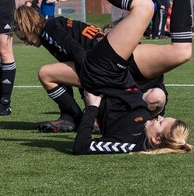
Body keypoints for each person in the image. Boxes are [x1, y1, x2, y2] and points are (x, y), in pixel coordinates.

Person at [20, 0, 194, 154]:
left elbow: (81, 147)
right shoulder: (147, 126)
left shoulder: (129, 142)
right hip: (124, 76)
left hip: (104, 72)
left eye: (162, 122)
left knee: (144, 6)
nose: (160, 117)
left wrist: (91, 108)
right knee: (182, 53)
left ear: (155, 139)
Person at [14, 7, 168, 132]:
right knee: (155, 96)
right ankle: (71, 117)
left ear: (26, 25)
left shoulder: (50, 30)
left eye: (23, 37)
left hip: (104, 65)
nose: (26, 42)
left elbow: (78, 52)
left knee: (45, 74)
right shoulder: (54, 26)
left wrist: (92, 86)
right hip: (112, 61)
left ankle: (75, 118)